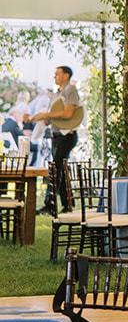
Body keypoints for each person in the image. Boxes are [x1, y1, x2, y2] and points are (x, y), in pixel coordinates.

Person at [23, 66, 82, 214]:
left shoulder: (70, 90)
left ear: (66, 76)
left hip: (66, 135)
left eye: (57, 74)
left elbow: (68, 113)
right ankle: (67, 205)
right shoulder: (57, 94)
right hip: (56, 135)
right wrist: (34, 118)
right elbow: (50, 119)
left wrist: (45, 115)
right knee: (60, 168)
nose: (54, 76)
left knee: (55, 169)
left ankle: (50, 204)